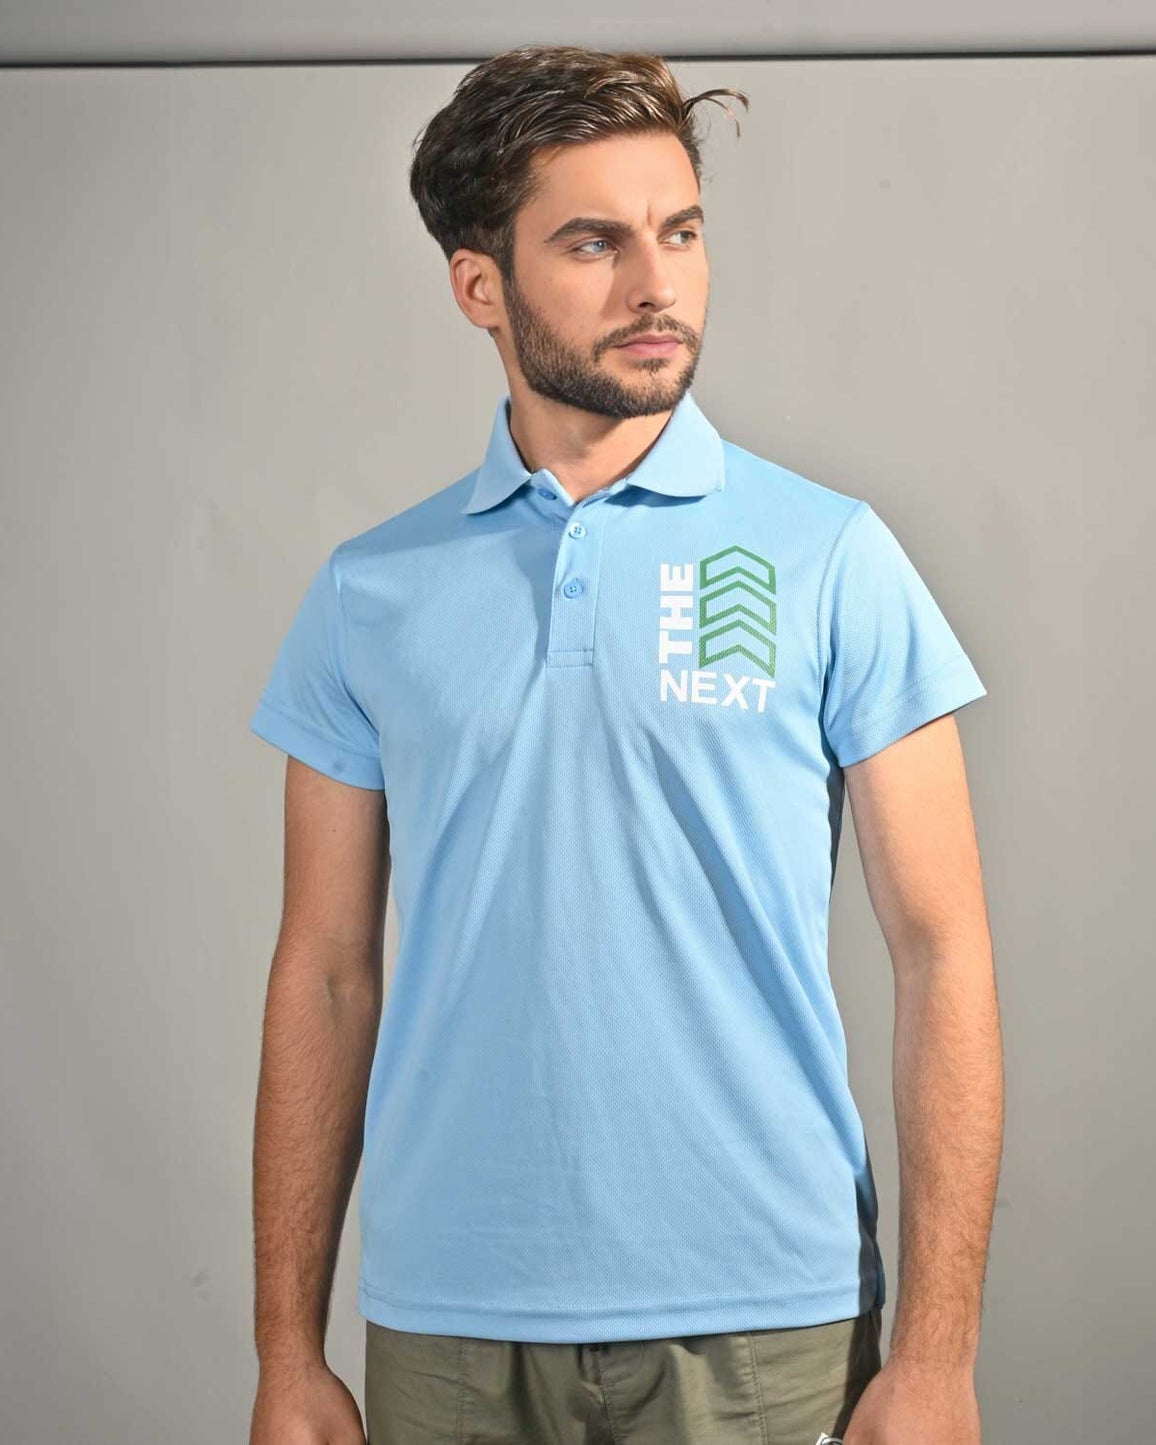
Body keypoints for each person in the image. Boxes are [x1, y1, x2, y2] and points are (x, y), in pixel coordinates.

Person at [246, 42, 1000, 1445]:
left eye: (681, 232)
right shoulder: (369, 593)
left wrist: (940, 1353)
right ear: (479, 284)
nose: (658, 284)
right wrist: (286, 1353)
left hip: (765, 1316)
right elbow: (327, 974)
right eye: (593, 242)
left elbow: (941, 952)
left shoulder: (830, 556)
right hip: (449, 1323)